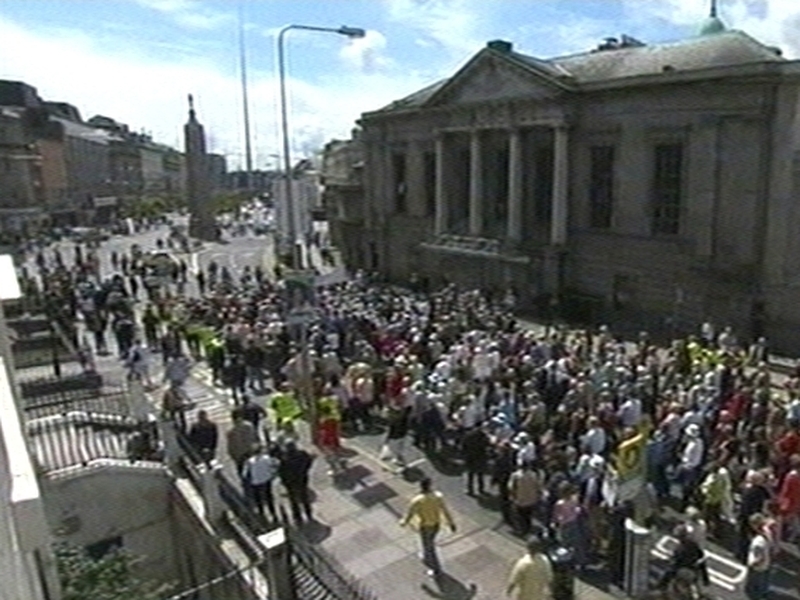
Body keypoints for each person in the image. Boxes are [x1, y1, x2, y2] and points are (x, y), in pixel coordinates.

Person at [399, 477, 456, 577]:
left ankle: (436, 569)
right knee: (429, 543)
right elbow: (445, 511)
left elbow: (410, 514)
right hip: (436, 524)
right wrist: (451, 523)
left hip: (425, 526)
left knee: (429, 547)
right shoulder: (437, 496)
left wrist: (404, 522)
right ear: (430, 485)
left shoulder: (418, 500)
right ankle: (426, 557)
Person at [506, 535, 554, 600]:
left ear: (527, 547)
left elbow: (514, 579)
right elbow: (549, 578)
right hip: (538, 596)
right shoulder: (544, 560)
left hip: (523, 596)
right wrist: (550, 593)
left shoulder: (523, 563)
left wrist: (509, 591)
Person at [278, 441, 315, 523]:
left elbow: (281, 472)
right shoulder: (302, 454)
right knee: (304, 496)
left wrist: (284, 481)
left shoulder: (284, 459)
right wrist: (305, 470)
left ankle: (297, 517)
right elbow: (309, 461)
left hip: (290, 482)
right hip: (302, 478)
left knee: (293, 499)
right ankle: (308, 514)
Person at [242, 444, 280, 521]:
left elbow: (244, 474)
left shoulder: (249, 461)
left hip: (255, 482)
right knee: (268, 497)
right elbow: (276, 463)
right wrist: (272, 473)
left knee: (258, 499)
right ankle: (273, 514)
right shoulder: (266, 458)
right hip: (266, 480)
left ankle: (261, 513)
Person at [745, 513, 772, 599]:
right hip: (766, 565)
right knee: (763, 584)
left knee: (753, 589)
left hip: (757, 568)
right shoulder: (767, 533)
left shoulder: (759, 542)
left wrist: (752, 564)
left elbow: (760, 557)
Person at [461, 423, 491, 496]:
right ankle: (481, 489)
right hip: (481, 457)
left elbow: (463, 445)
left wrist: (464, 455)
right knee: (480, 474)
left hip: (470, 457)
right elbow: (487, 444)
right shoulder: (483, 436)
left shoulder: (468, 435)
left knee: (470, 474)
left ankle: (470, 490)